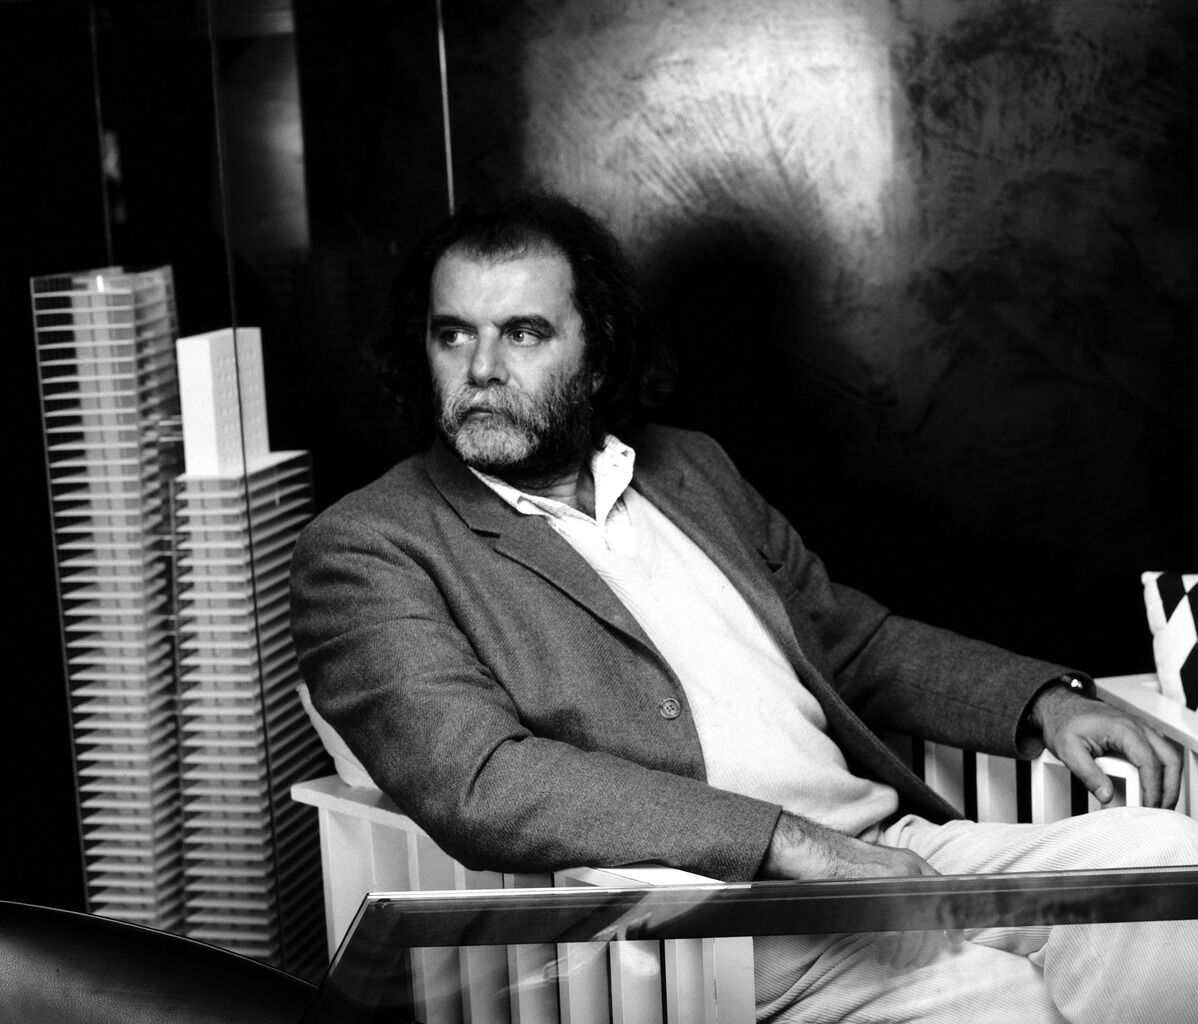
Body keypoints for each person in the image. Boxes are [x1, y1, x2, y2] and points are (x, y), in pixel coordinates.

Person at [290, 191, 1198, 1022]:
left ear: (597, 355)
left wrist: (1044, 703)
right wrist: (790, 845)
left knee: (1168, 864)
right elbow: (482, 779)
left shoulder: (688, 468)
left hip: (891, 849)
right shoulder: (369, 545)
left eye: (524, 333)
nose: (482, 368)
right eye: (453, 334)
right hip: (723, 929)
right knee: (1003, 1005)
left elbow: (850, 641)